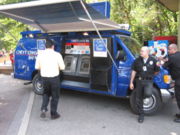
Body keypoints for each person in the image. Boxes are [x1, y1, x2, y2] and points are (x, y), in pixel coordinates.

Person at [35, 39, 65, 120]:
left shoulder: (40, 55)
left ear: (45, 47)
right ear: (53, 46)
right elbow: (62, 67)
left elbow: (37, 67)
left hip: (44, 78)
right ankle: (53, 114)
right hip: (54, 79)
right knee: (55, 96)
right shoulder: (57, 55)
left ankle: (44, 108)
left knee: (46, 94)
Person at [130, 46, 160, 123]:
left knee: (148, 94)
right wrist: (131, 82)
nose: (140, 52)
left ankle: (142, 98)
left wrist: (149, 75)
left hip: (149, 82)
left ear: (147, 52)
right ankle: (141, 114)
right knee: (138, 98)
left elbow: (157, 71)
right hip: (139, 81)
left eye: (142, 51)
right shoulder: (137, 60)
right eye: (140, 51)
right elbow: (134, 71)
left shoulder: (153, 60)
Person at [163, 44, 180, 123]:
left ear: (173, 49)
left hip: (179, 81)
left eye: (169, 49)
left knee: (179, 98)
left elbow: (164, 66)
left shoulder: (172, 58)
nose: (168, 51)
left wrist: (164, 62)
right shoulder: (178, 55)